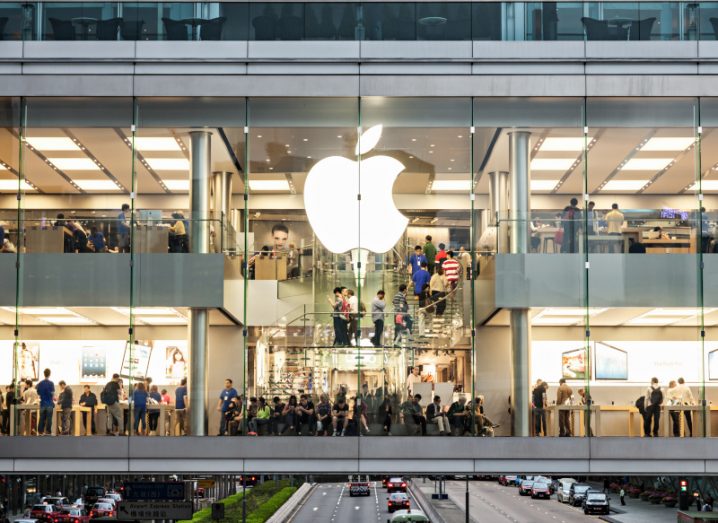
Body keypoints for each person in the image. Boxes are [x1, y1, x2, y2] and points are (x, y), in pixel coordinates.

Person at [36, 368, 55, 436]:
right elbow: (52, 393)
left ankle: (40, 432)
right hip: (49, 403)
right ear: (49, 374)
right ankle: (48, 432)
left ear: (44, 374)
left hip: (42, 403)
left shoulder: (40, 383)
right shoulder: (51, 383)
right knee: (49, 418)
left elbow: (37, 392)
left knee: (41, 418)